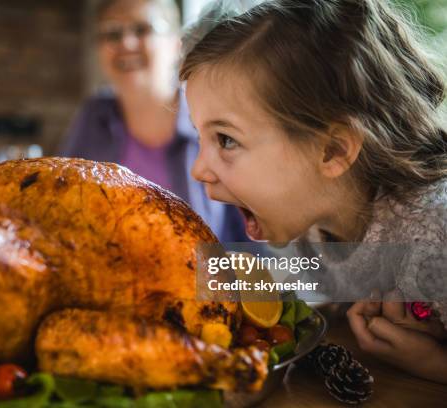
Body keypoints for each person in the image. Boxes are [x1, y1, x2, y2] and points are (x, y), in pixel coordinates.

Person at [180, 0, 447, 382]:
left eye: (225, 139)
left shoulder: (437, 228)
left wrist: (434, 364)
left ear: (333, 151)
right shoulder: (306, 224)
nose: (198, 169)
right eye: (200, 135)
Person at [60, 0, 248, 243]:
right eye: (112, 33)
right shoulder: (93, 116)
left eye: (142, 29)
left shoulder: (215, 117)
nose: (125, 43)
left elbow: (250, 242)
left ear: (176, 44)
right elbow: (62, 206)